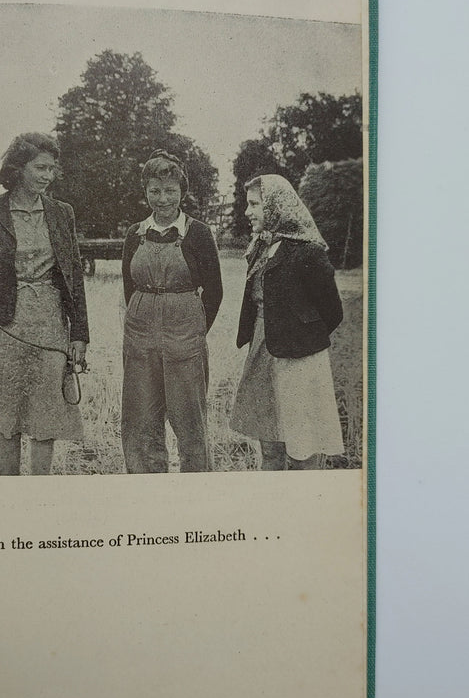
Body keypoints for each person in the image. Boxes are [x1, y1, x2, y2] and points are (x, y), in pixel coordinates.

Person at [0, 133, 88, 476]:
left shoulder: (61, 213)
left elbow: (74, 275)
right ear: (18, 168)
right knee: (6, 414)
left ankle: (38, 492)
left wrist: (80, 334)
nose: (47, 175)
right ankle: (9, 489)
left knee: (46, 413)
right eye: (40, 167)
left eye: (52, 169)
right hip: (4, 324)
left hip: (51, 322)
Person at [231, 172, 344, 470]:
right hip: (262, 351)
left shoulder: (307, 252)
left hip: (298, 357)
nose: (247, 212)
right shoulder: (259, 247)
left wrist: (301, 339)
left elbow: (332, 311)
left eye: (255, 204)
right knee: (269, 447)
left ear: (275, 206)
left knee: (303, 449)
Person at [121, 150, 222, 473]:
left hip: (184, 337)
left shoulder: (199, 233)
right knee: (140, 421)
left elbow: (215, 291)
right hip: (140, 337)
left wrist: (191, 330)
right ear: (145, 192)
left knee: (190, 420)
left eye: (170, 190)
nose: (162, 199)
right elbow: (128, 285)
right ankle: (147, 488)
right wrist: (145, 315)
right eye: (154, 190)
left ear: (182, 191)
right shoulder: (134, 234)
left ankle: (195, 492)